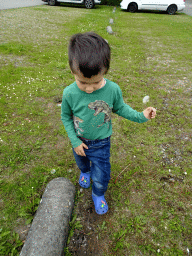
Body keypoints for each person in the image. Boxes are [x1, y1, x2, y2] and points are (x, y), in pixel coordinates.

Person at [61, 32, 156, 215]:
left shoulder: (113, 90)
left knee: (101, 174)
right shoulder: (69, 93)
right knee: (81, 162)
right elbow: (66, 117)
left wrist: (141, 115)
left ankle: (98, 193)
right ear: (71, 71)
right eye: (82, 82)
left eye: (96, 83)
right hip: (79, 140)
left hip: (101, 143)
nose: (89, 88)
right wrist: (74, 141)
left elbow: (120, 108)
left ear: (105, 71)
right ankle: (85, 172)